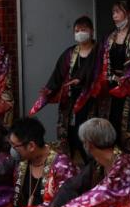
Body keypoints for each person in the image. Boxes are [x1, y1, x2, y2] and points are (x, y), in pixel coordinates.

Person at [29, 16, 99, 160]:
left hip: (93, 101)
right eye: (77, 30)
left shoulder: (99, 51)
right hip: (71, 102)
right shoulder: (69, 53)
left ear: (91, 31)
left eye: (83, 30)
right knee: (72, 135)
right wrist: (49, 90)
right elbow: (58, 75)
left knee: (91, 136)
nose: (80, 33)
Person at [90, 0, 130, 157]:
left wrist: (127, 77)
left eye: (118, 12)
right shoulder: (110, 37)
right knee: (112, 127)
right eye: (113, 12)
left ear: (129, 13)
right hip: (111, 92)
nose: (114, 16)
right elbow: (102, 64)